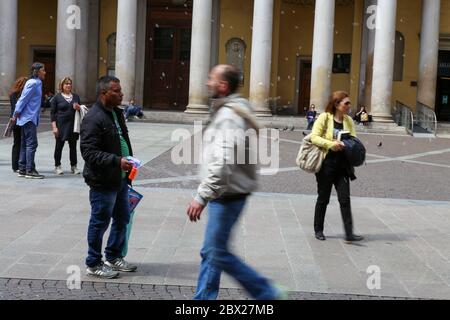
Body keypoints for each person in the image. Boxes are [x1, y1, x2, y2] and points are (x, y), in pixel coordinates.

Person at [187, 65, 282, 300]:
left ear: (223, 86)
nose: (207, 83)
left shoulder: (229, 116)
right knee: (211, 252)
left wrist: (202, 195)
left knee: (216, 252)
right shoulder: (228, 111)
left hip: (227, 195)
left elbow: (224, 160)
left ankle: (265, 291)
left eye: (212, 79)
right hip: (226, 192)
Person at [80, 76, 137, 279]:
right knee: (99, 222)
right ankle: (93, 263)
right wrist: (116, 160)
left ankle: (113, 256)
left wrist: (128, 164)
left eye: (120, 90)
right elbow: (88, 152)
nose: (121, 94)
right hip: (103, 181)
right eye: (116, 91)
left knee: (122, 218)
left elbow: (121, 140)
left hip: (120, 179)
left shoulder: (116, 113)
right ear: (104, 93)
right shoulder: (93, 118)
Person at [310, 91, 364, 243]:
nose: (349, 106)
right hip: (326, 165)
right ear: (336, 104)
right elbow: (314, 137)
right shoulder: (324, 118)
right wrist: (331, 144)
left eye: (349, 103)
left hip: (342, 166)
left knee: (345, 199)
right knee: (323, 198)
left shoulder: (348, 120)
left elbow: (354, 138)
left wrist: (349, 144)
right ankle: (318, 229)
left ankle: (349, 233)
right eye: (346, 103)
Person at [12, 62, 46, 179]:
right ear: (37, 71)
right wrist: (16, 113)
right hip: (28, 118)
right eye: (43, 70)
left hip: (27, 117)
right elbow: (23, 99)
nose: (45, 72)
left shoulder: (36, 83)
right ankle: (29, 170)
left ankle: (22, 168)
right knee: (31, 144)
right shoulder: (34, 83)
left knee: (24, 143)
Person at [51, 77, 82, 175]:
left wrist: (78, 108)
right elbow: (53, 113)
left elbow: (81, 110)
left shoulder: (76, 97)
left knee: (73, 147)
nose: (68, 85)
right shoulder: (57, 97)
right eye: (66, 84)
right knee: (59, 146)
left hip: (73, 125)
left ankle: (74, 166)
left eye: (69, 83)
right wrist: (54, 127)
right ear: (62, 86)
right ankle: (57, 166)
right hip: (61, 125)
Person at [8, 77, 28, 173]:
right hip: (21, 120)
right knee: (23, 142)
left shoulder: (12, 94)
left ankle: (14, 165)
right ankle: (22, 164)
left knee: (16, 143)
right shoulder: (23, 95)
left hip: (14, 120)